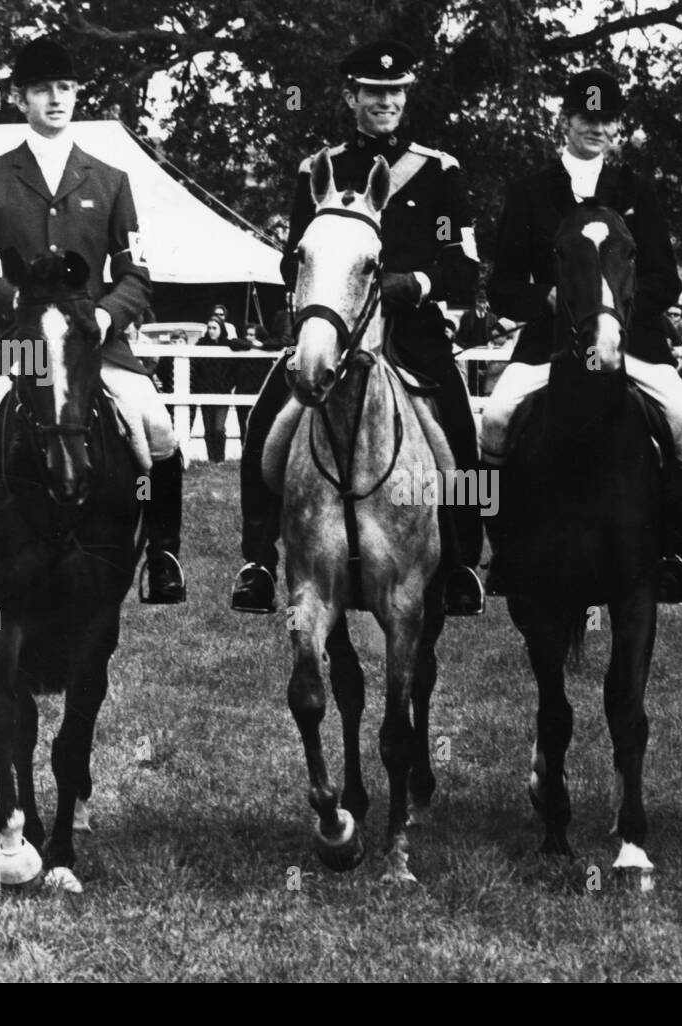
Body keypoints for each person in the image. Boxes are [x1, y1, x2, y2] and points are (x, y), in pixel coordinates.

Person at [0, 36, 186, 609]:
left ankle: (161, 556)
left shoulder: (111, 179)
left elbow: (136, 273)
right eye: (42, 90)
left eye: (65, 88)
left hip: (92, 341)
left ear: (77, 92)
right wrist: (19, 308)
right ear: (21, 98)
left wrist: (107, 315)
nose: (56, 99)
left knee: (158, 430)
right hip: (12, 341)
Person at [230, 39, 486, 615]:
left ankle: (465, 560)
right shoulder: (319, 170)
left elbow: (462, 267)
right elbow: (292, 257)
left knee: (460, 438)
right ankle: (256, 561)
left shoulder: (438, 172)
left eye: (395, 91)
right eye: (374, 92)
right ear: (352, 96)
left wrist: (414, 282)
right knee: (264, 420)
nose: (387, 101)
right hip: (335, 330)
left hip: (410, 334)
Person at [485, 68, 682, 602]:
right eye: (587, 118)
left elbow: (666, 281)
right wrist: (549, 301)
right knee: (493, 421)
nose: (597, 129)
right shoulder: (530, 192)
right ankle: (497, 548)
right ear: (566, 121)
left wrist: (617, 309)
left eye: (607, 120)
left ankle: (676, 551)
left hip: (632, 345)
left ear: (617, 127)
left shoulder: (636, 190)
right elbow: (503, 285)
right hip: (550, 346)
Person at [193, 316, 233, 462]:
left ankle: (220, 459)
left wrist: (228, 384)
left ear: (221, 329)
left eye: (214, 328)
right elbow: (195, 366)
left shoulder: (227, 344)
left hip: (223, 392)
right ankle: (211, 459)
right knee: (208, 429)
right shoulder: (201, 344)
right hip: (206, 391)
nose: (211, 331)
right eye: (209, 328)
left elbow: (234, 369)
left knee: (219, 428)